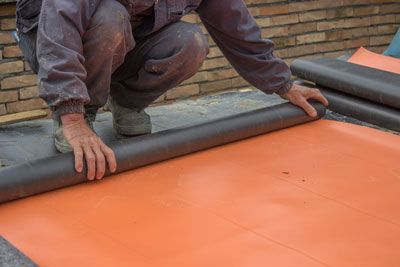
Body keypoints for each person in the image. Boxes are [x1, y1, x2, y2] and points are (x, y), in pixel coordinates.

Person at [16, 0, 328, 180]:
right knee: (111, 17)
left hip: (124, 43)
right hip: (56, 39)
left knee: (190, 42)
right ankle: (84, 112)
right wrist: (71, 115)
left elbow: (236, 24)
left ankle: (126, 102)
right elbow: (60, 23)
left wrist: (283, 84)